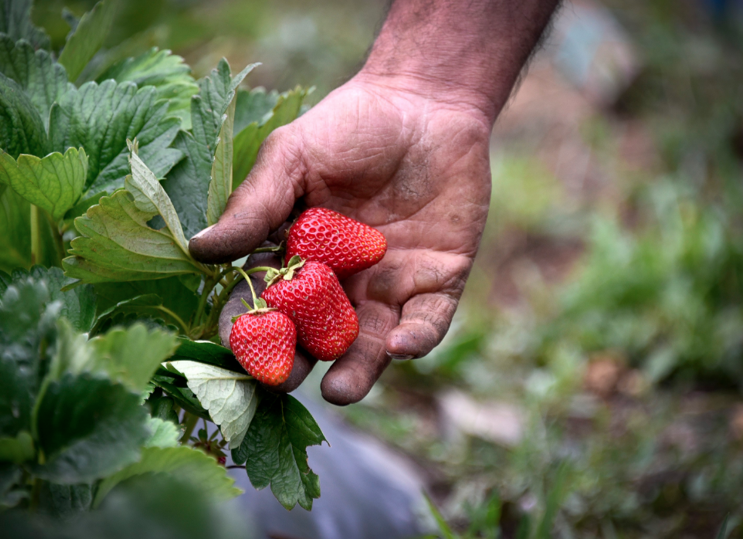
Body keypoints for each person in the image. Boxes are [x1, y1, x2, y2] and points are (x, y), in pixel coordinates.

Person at [189, 0, 561, 405]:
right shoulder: (309, 268)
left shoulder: (304, 263)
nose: (373, 245)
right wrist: (421, 88)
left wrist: (427, 91)